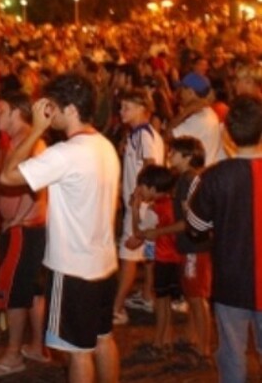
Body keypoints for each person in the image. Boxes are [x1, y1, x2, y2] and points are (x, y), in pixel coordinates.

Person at [0, 73, 120, 383]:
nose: (47, 113)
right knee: (103, 339)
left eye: (51, 107)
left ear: (69, 109)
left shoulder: (65, 154)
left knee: (77, 351)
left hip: (72, 268)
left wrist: (36, 129)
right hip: (104, 263)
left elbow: (8, 176)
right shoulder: (105, 146)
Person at [187, 94, 262, 382]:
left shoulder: (216, 177)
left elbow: (195, 226)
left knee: (232, 354)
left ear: (227, 134)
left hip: (231, 279)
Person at [0, 90, 49, 378]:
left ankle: (13, 355)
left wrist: (17, 220)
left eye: (0, 109)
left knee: (14, 294)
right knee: (31, 290)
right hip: (25, 229)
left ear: (15, 112)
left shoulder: (30, 142)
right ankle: (36, 346)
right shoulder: (20, 141)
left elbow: (38, 191)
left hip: (24, 230)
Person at [143, 137, 212, 365]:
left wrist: (160, 233)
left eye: (174, 153)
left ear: (187, 157)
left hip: (195, 246)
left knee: (196, 297)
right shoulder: (184, 180)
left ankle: (203, 349)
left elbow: (189, 221)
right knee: (193, 295)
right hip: (189, 246)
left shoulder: (190, 180)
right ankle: (194, 340)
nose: (169, 156)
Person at [112, 88, 164, 325]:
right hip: (141, 204)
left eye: (127, 107)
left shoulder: (144, 136)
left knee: (128, 256)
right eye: (122, 107)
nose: (122, 111)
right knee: (146, 254)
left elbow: (150, 164)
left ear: (142, 109)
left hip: (140, 206)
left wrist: (138, 195)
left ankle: (117, 308)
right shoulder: (138, 134)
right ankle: (147, 294)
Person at [125, 165, 179, 360]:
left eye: (143, 187)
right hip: (173, 258)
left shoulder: (156, 209)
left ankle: (158, 342)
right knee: (165, 303)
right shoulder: (172, 203)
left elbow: (139, 232)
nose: (140, 190)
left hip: (163, 259)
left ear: (153, 188)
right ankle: (167, 340)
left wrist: (134, 209)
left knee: (161, 304)